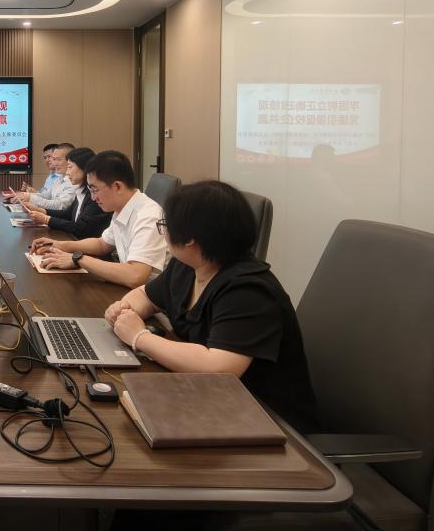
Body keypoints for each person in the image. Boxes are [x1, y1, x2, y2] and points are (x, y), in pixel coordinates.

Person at [104, 181, 320, 434]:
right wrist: (125, 309)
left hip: (270, 424)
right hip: (213, 401)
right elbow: (146, 295)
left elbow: (218, 368)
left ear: (190, 239)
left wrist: (139, 337)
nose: (163, 232)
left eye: (164, 225)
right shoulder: (188, 266)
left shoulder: (247, 290)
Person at [31, 150, 167, 287]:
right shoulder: (122, 207)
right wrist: (60, 245)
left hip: (153, 296)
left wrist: (78, 259)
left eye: (95, 190)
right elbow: (102, 244)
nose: (93, 197)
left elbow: (135, 276)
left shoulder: (148, 216)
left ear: (118, 187)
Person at [24, 147, 111, 239]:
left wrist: (46, 219)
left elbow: (82, 228)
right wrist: (41, 211)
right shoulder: (81, 190)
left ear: (84, 168)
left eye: (70, 167)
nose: (67, 172)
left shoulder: (93, 196)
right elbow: (67, 214)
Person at [10, 143, 76, 210]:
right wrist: (24, 195)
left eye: (58, 159)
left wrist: (30, 198)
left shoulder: (73, 182)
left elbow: (60, 205)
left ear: (70, 161)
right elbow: (47, 196)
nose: (54, 163)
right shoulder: (60, 178)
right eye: (54, 159)